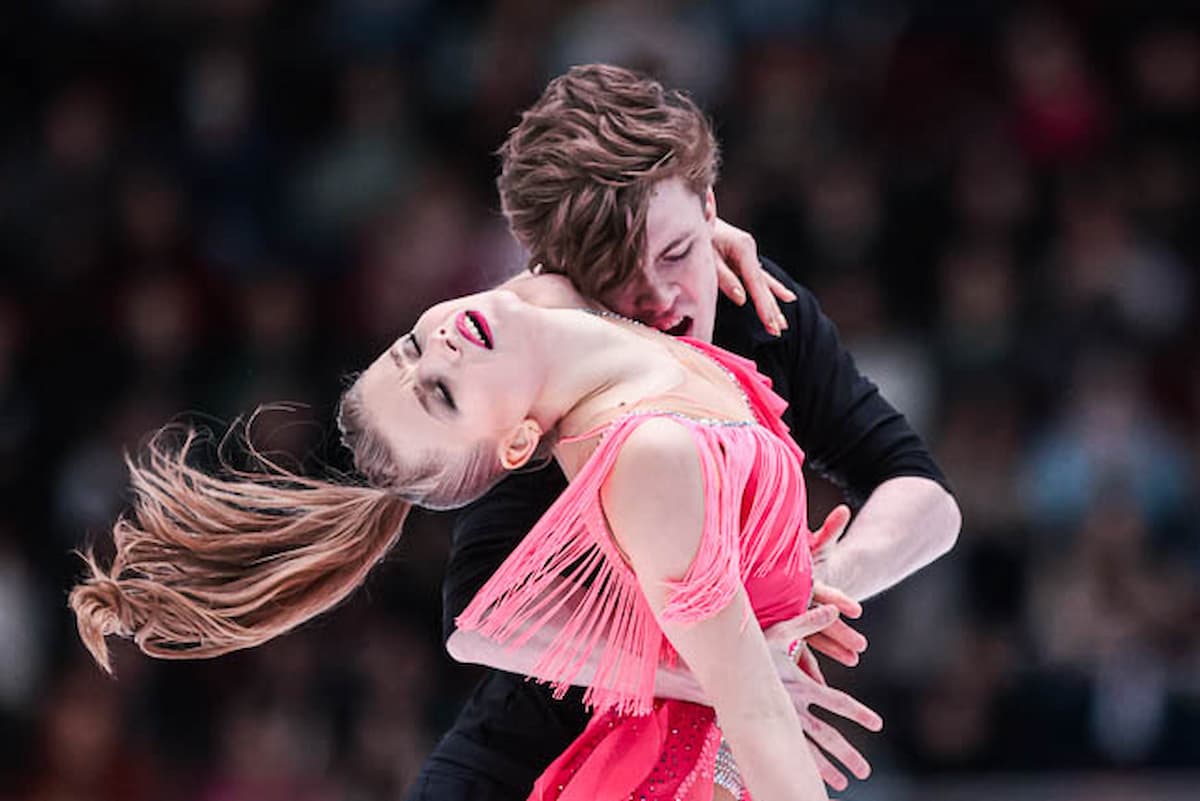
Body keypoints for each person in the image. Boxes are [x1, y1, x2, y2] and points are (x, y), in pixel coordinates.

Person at [71, 277, 883, 801]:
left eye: (411, 349)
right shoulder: (646, 455)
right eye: (443, 396)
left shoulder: (564, 293)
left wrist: (705, 227)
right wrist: (727, 674)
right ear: (520, 443)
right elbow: (759, 718)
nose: (443, 348)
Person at [412, 64, 961, 800]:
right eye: (619, 280)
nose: (664, 300)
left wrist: (825, 586)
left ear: (712, 208)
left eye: (678, 254)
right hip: (520, 768)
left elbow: (925, 496)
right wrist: (727, 678)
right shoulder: (552, 365)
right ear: (563, 281)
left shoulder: (762, 310)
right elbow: (477, 620)